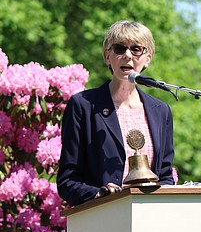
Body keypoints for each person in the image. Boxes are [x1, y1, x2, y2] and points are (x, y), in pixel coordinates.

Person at [57, 20, 175, 207]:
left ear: (148, 58)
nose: (127, 55)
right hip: (102, 219)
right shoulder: (83, 106)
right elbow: (67, 181)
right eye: (119, 49)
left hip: (149, 221)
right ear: (107, 56)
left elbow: (166, 177)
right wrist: (99, 194)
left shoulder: (160, 111)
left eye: (136, 49)